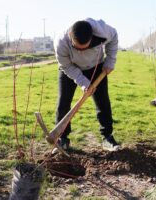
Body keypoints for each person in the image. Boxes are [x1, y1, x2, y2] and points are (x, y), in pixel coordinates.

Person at [53, 18, 120, 152]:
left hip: (96, 67)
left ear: (92, 37)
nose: (82, 51)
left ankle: (107, 137)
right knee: (63, 102)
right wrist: (84, 83)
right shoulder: (60, 42)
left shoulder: (102, 31)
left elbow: (114, 37)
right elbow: (66, 67)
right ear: (71, 38)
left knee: (102, 102)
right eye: (78, 48)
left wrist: (110, 61)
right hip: (71, 68)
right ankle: (62, 139)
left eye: (86, 47)